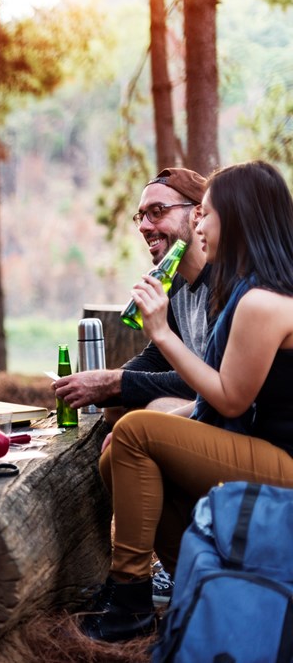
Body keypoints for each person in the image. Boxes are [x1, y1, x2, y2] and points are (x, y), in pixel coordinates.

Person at [79, 160, 293, 643]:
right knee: (120, 451)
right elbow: (222, 397)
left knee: (136, 431)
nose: (200, 226)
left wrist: (160, 332)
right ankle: (196, 589)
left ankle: (130, 598)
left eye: (206, 214)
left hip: (284, 464)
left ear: (236, 218)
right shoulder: (248, 290)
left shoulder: (263, 300)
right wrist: (165, 417)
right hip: (260, 446)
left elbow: (230, 399)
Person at [54, 168, 212, 425]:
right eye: (141, 216)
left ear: (197, 214)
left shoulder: (226, 281)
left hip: (232, 415)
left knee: (155, 409)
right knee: (115, 407)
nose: (144, 226)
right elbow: (156, 358)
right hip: (205, 400)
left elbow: (215, 381)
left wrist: (116, 382)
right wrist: (107, 380)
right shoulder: (176, 283)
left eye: (157, 211)